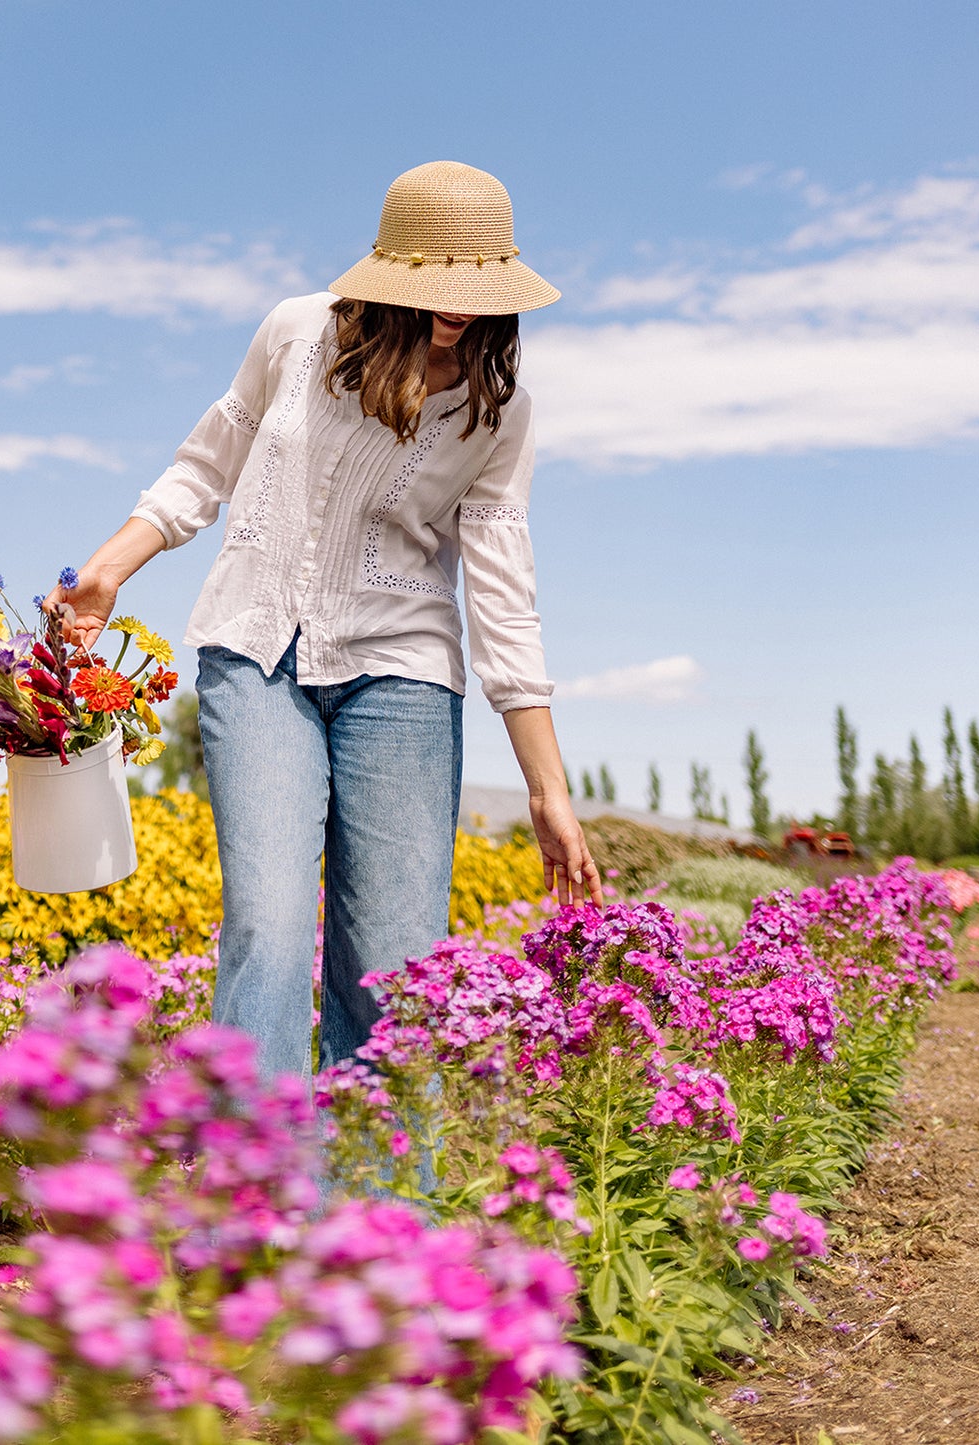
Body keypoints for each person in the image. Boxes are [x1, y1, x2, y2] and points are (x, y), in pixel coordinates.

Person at [49, 160, 604, 1086]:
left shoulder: (496, 414)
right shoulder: (296, 332)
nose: (459, 310)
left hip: (405, 676)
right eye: (440, 287)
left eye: (478, 290)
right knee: (265, 925)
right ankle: (252, 1196)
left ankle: (383, 1221)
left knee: (392, 960)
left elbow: (504, 598)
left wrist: (545, 787)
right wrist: (108, 566)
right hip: (254, 651)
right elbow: (204, 467)